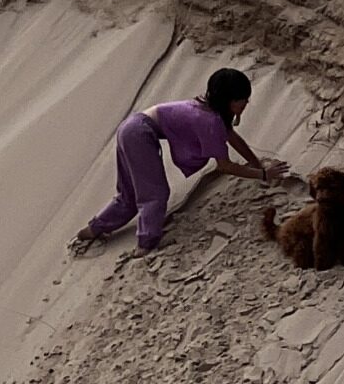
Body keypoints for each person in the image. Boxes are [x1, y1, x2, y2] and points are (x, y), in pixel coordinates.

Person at [71, 68, 292, 255]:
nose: (246, 103)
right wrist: (263, 174)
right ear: (229, 101)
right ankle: (146, 244)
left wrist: (256, 163)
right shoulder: (210, 121)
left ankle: (92, 231)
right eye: (242, 99)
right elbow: (224, 166)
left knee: (129, 195)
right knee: (155, 195)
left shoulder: (210, 111)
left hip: (133, 127)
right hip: (139, 134)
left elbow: (232, 137)